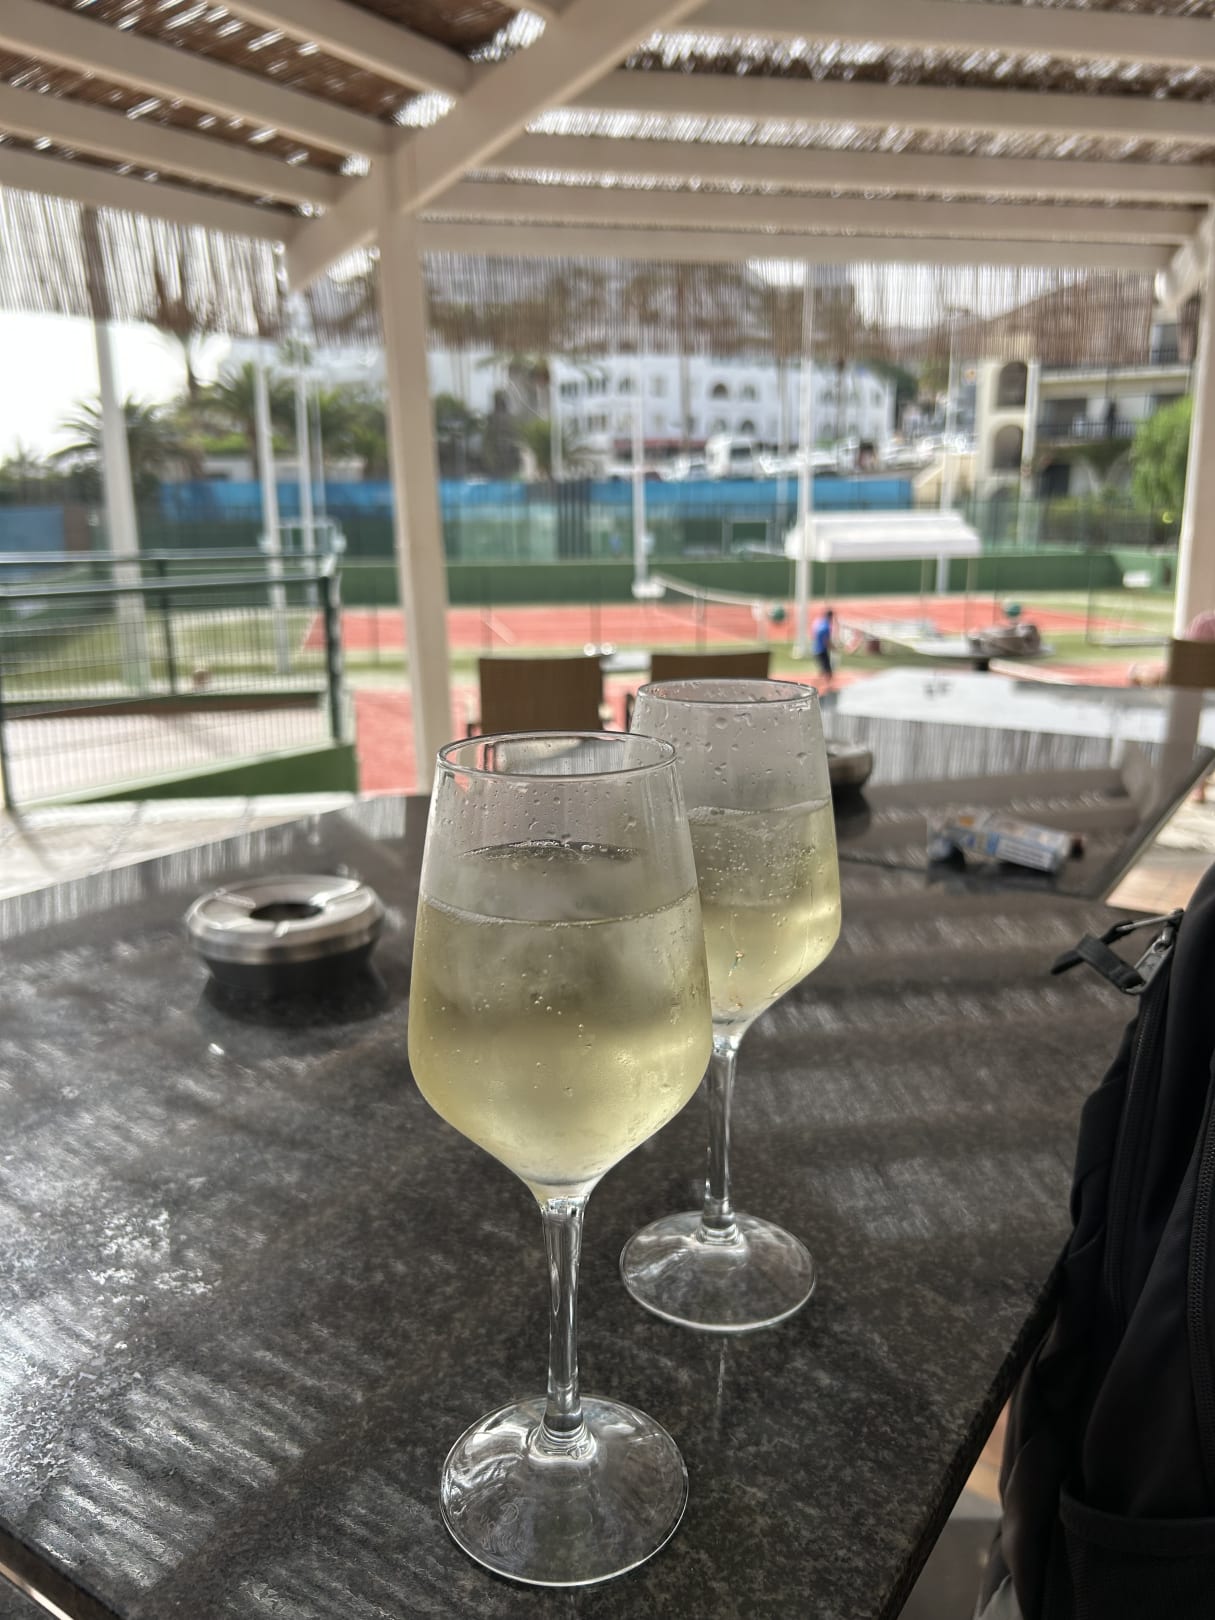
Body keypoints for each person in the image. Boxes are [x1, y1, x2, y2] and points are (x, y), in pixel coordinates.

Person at [811, 607, 835, 685]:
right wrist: (833, 647)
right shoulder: (827, 627)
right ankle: (828, 686)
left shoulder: (819, 623)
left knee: (824, 670)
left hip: (816, 649)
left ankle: (819, 683)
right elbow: (826, 641)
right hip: (822, 651)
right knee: (828, 671)